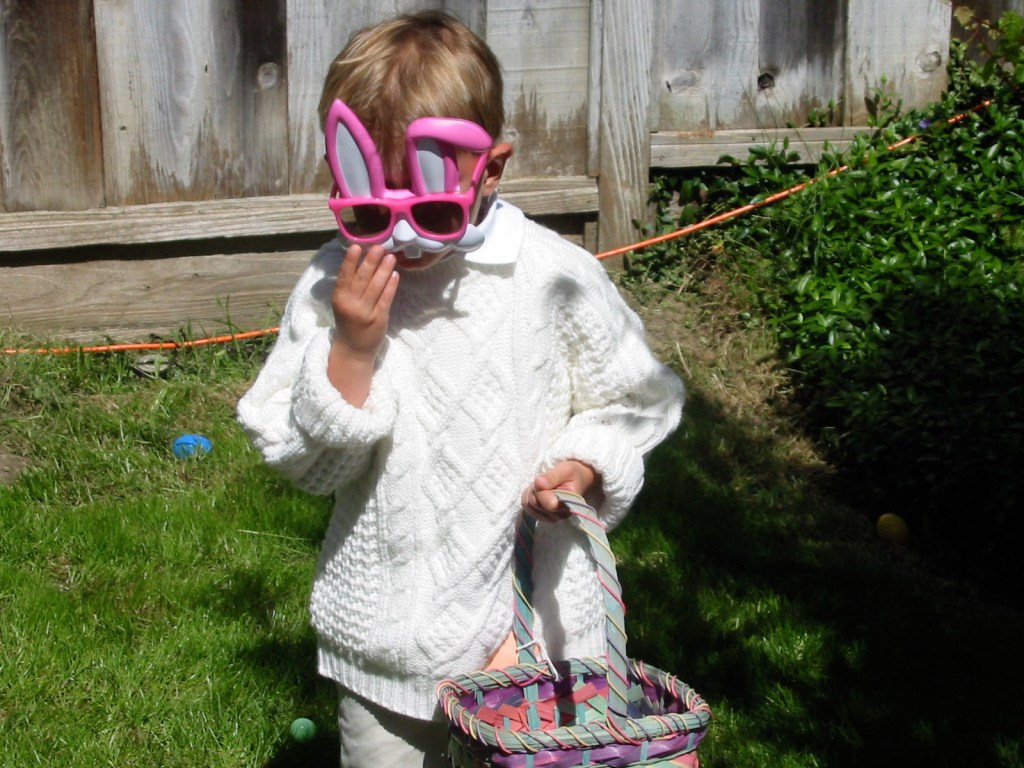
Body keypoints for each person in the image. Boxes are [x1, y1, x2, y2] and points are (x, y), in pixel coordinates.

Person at [236, 9, 684, 767]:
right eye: (372, 210)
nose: (402, 238)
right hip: (388, 637)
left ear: (491, 171)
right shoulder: (333, 286)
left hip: (531, 632)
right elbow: (306, 463)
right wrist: (352, 350)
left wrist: (586, 464)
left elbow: (639, 398)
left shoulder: (552, 277)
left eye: (432, 210)